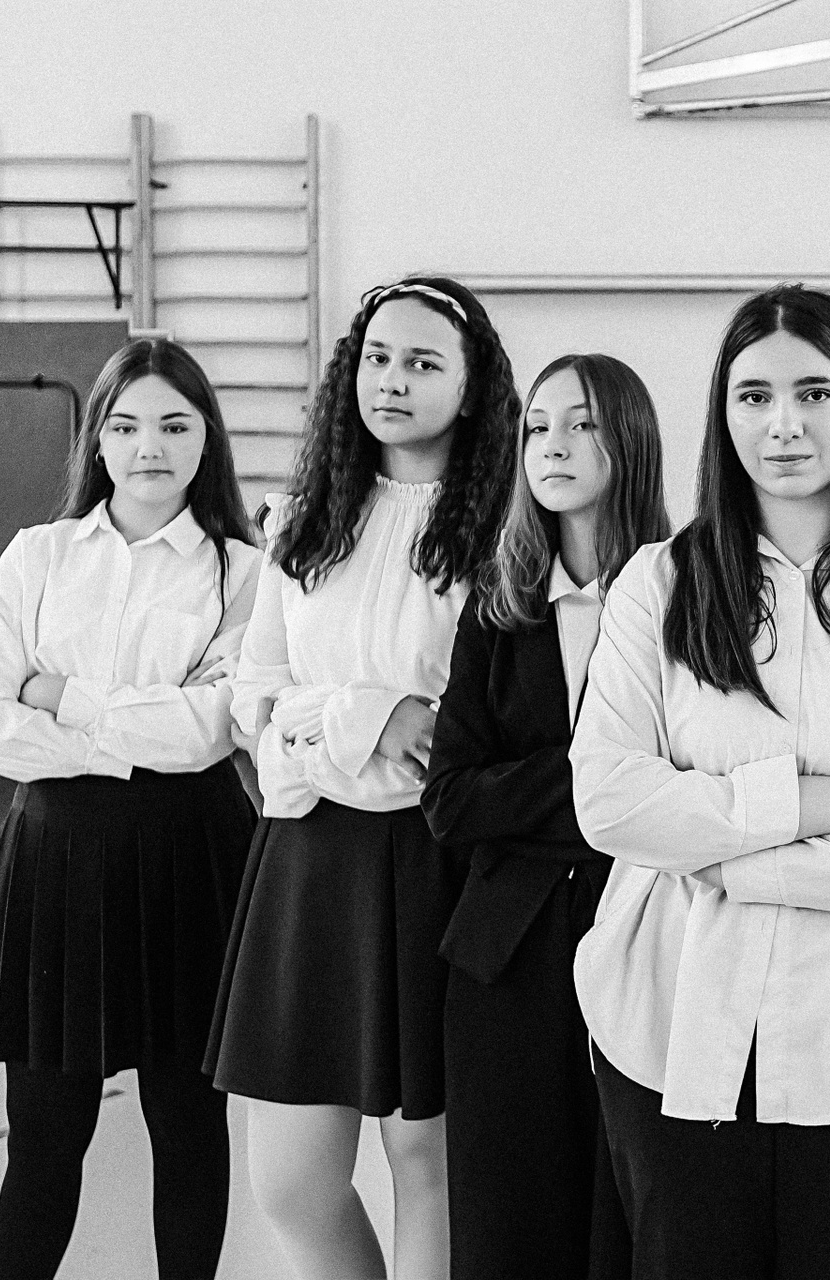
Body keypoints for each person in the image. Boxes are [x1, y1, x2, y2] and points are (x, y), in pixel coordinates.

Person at [568, 284, 830, 1279]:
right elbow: (610, 800)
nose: (784, 423)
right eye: (754, 396)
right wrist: (823, 801)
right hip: (670, 1021)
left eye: (814, 392)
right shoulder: (657, 584)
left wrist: (729, 863)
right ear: (723, 415)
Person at [206, 276, 517, 1280]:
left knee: (429, 1161)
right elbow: (256, 703)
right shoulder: (300, 521)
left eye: (423, 363)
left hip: (443, 859)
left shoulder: (505, 527)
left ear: (470, 388)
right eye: (378, 357)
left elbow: (471, 728)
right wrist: (370, 715)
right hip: (309, 861)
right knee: (290, 1179)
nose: (392, 380)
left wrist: (356, 725)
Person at [0, 338, 259, 1280]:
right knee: (44, 1138)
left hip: (192, 862)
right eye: (124, 426)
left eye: (173, 424)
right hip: (56, 864)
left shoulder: (244, 573)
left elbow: (208, 730)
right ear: (97, 440)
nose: (148, 447)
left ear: (206, 438)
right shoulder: (38, 556)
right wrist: (124, 742)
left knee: (189, 1129)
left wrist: (62, 697)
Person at [421, 353, 669, 1278]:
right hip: (508, 957)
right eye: (538, 427)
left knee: (632, 1222)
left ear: (629, 441)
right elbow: (451, 800)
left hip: (647, 936)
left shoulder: (687, 596)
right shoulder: (497, 604)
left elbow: (696, 787)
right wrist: (603, 779)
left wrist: (547, 794)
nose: (553, 446)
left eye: (581, 424)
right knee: (507, 1232)